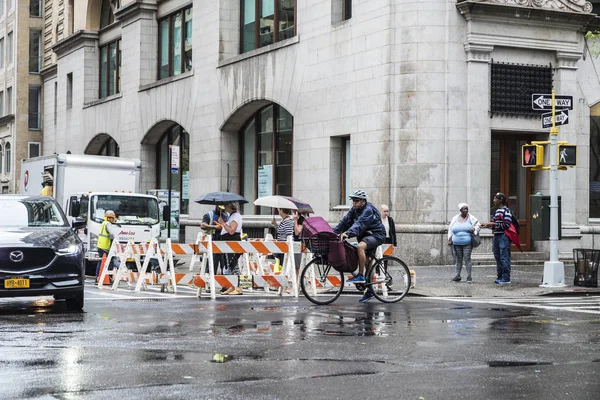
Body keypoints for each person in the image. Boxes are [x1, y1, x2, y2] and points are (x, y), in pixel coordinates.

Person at [333, 189, 386, 303]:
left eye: (356, 201)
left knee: (360, 247)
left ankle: (361, 275)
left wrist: (347, 233)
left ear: (363, 201)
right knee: (368, 263)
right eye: (353, 201)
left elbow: (359, 224)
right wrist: (332, 232)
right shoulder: (355, 209)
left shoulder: (368, 210)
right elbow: (345, 221)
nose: (354, 203)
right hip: (366, 236)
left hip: (376, 235)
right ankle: (370, 290)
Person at [482, 193, 513, 284]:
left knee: (504, 256)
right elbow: (496, 225)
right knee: (497, 256)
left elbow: (507, 224)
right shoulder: (496, 211)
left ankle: (506, 277)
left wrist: (493, 224)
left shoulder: (506, 211)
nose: (494, 200)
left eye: (495, 198)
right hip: (497, 235)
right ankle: (500, 276)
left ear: (501, 200)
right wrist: (487, 226)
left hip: (504, 236)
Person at [447, 203, 480, 283]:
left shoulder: (471, 218)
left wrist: (474, 229)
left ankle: (469, 277)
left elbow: (478, 225)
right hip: (456, 243)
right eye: (464, 209)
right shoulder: (455, 218)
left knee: (467, 258)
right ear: (460, 210)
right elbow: (450, 228)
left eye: (467, 209)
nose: (466, 210)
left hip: (467, 243)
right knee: (458, 259)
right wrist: (450, 239)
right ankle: (458, 276)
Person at [218, 202, 243, 295]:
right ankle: (232, 286)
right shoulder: (233, 216)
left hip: (231, 242)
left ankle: (237, 287)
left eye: (225, 206)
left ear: (229, 206)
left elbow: (232, 231)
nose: (224, 207)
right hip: (228, 242)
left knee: (232, 265)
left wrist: (223, 223)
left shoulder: (235, 216)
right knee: (230, 265)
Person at [201, 205, 228, 274]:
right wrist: (214, 227)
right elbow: (203, 225)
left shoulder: (227, 215)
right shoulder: (209, 215)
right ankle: (209, 281)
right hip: (212, 244)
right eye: (220, 207)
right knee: (211, 267)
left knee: (225, 268)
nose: (221, 209)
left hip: (224, 244)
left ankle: (225, 282)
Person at [96, 210, 118, 283]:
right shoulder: (108, 224)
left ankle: (98, 277)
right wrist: (115, 241)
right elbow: (112, 234)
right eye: (112, 218)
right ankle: (109, 278)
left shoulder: (103, 223)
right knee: (109, 262)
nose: (113, 219)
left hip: (100, 245)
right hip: (105, 247)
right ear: (109, 218)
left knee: (101, 262)